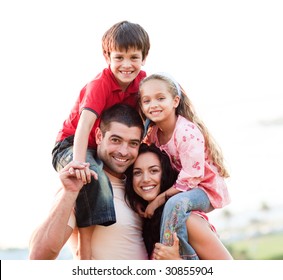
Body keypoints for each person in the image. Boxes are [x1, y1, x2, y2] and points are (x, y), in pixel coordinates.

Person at [51, 21, 150, 258]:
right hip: (71, 144)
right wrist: (78, 163)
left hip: (103, 145)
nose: (127, 65)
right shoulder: (100, 84)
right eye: (119, 57)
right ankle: (85, 241)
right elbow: (84, 126)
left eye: (134, 57)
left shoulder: (143, 83)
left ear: (144, 58)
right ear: (107, 56)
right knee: (93, 176)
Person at [29, 104, 148, 260]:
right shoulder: (83, 185)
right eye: (116, 140)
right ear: (99, 136)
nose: (124, 151)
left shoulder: (138, 188)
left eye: (133, 143)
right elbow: (38, 257)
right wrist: (69, 193)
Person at [138, 72, 231, 258]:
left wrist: (157, 200)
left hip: (204, 189)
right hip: (184, 189)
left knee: (175, 204)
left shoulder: (186, 132)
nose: (153, 104)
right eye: (146, 101)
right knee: (174, 203)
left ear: (175, 101)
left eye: (160, 98)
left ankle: (178, 255)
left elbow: (191, 178)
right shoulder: (154, 134)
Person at [125, 143, 233, 260]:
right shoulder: (147, 222)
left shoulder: (188, 221)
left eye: (154, 171)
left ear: (166, 173)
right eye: (137, 173)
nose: (145, 179)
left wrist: (176, 261)